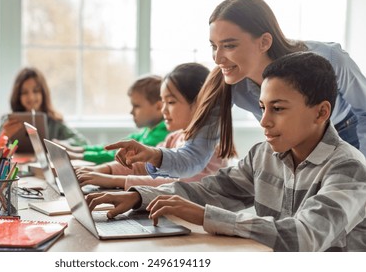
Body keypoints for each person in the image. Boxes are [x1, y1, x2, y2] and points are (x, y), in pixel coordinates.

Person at [87, 52, 366, 252]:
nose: (264, 121)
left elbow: (304, 238)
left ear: (321, 112)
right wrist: (138, 196)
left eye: (278, 108)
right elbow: (208, 191)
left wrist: (205, 215)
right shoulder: (263, 155)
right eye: (262, 107)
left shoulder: (349, 168)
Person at [106, 0, 366, 179]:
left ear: (264, 42)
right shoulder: (227, 83)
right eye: (213, 46)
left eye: (229, 45)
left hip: (347, 134)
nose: (218, 59)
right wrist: (152, 154)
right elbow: (195, 156)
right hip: (293, 144)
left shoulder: (329, 58)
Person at [76, 63, 229, 189]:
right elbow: (141, 165)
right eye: (163, 103)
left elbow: (178, 185)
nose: (163, 110)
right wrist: (100, 170)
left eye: (170, 102)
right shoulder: (173, 138)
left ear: (199, 103)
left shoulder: (210, 149)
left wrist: (113, 180)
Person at [58, 74, 169, 165]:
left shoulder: (163, 134)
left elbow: (117, 156)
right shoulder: (148, 130)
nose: (131, 112)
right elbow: (114, 147)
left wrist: (77, 156)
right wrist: (78, 150)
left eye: (136, 106)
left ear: (158, 107)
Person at [0, 67, 88, 146]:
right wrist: (3, 136)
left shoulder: (54, 122)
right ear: (18, 96)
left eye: (36, 91)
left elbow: (83, 142)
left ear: (43, 93)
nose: (31, 97)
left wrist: (58, 144)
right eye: (24, 92)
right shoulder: (9, 121)